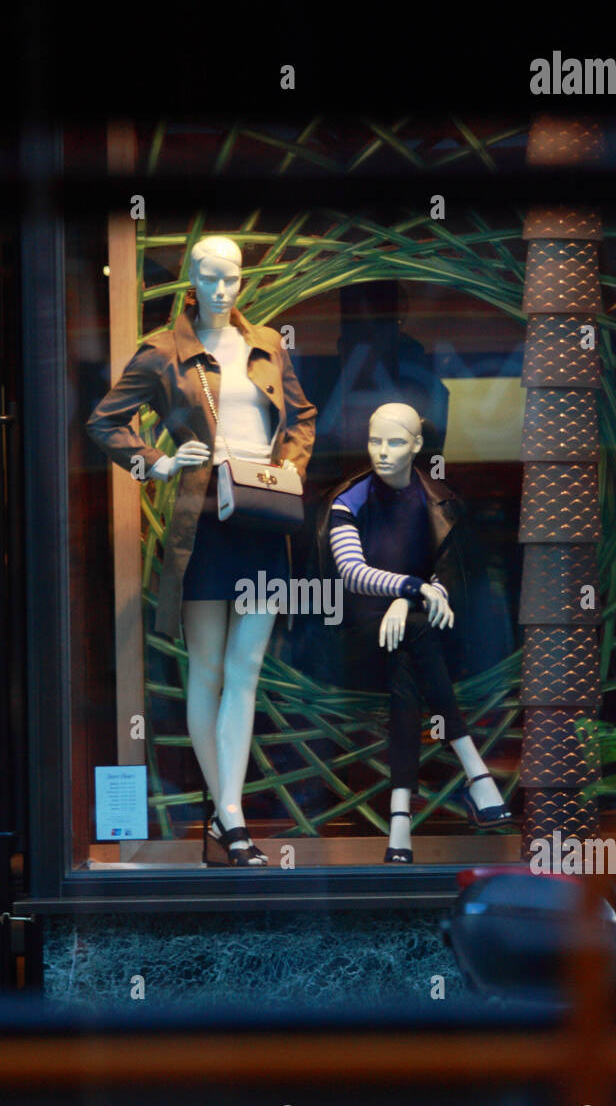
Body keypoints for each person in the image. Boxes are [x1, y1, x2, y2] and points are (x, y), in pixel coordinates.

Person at [86, 236, 317, 866]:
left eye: (232, 279)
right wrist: (158, 462)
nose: (222, 291)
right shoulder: (164, 351)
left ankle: (227, 818)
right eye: (211, 279)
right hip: (203, 522)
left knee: (246, 672)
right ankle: (233, 817)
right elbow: (105, 421)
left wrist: (284, 471)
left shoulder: (266, 343)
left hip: (262, 519)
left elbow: (301, 417)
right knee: (208, 670)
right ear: (192, 278)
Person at [320, 402, 511, 863]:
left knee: (410, 650)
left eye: (396, 442)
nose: (382, 453)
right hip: (357, 637)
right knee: (415, 638)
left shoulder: (439, 502)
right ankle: (476, 773)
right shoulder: (349, 501)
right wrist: (413, 587)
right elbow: (352, 572)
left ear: (418, 444)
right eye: (375, 441)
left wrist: (408, 601)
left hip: (416, 635)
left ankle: (399, 821)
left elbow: (448, 576)